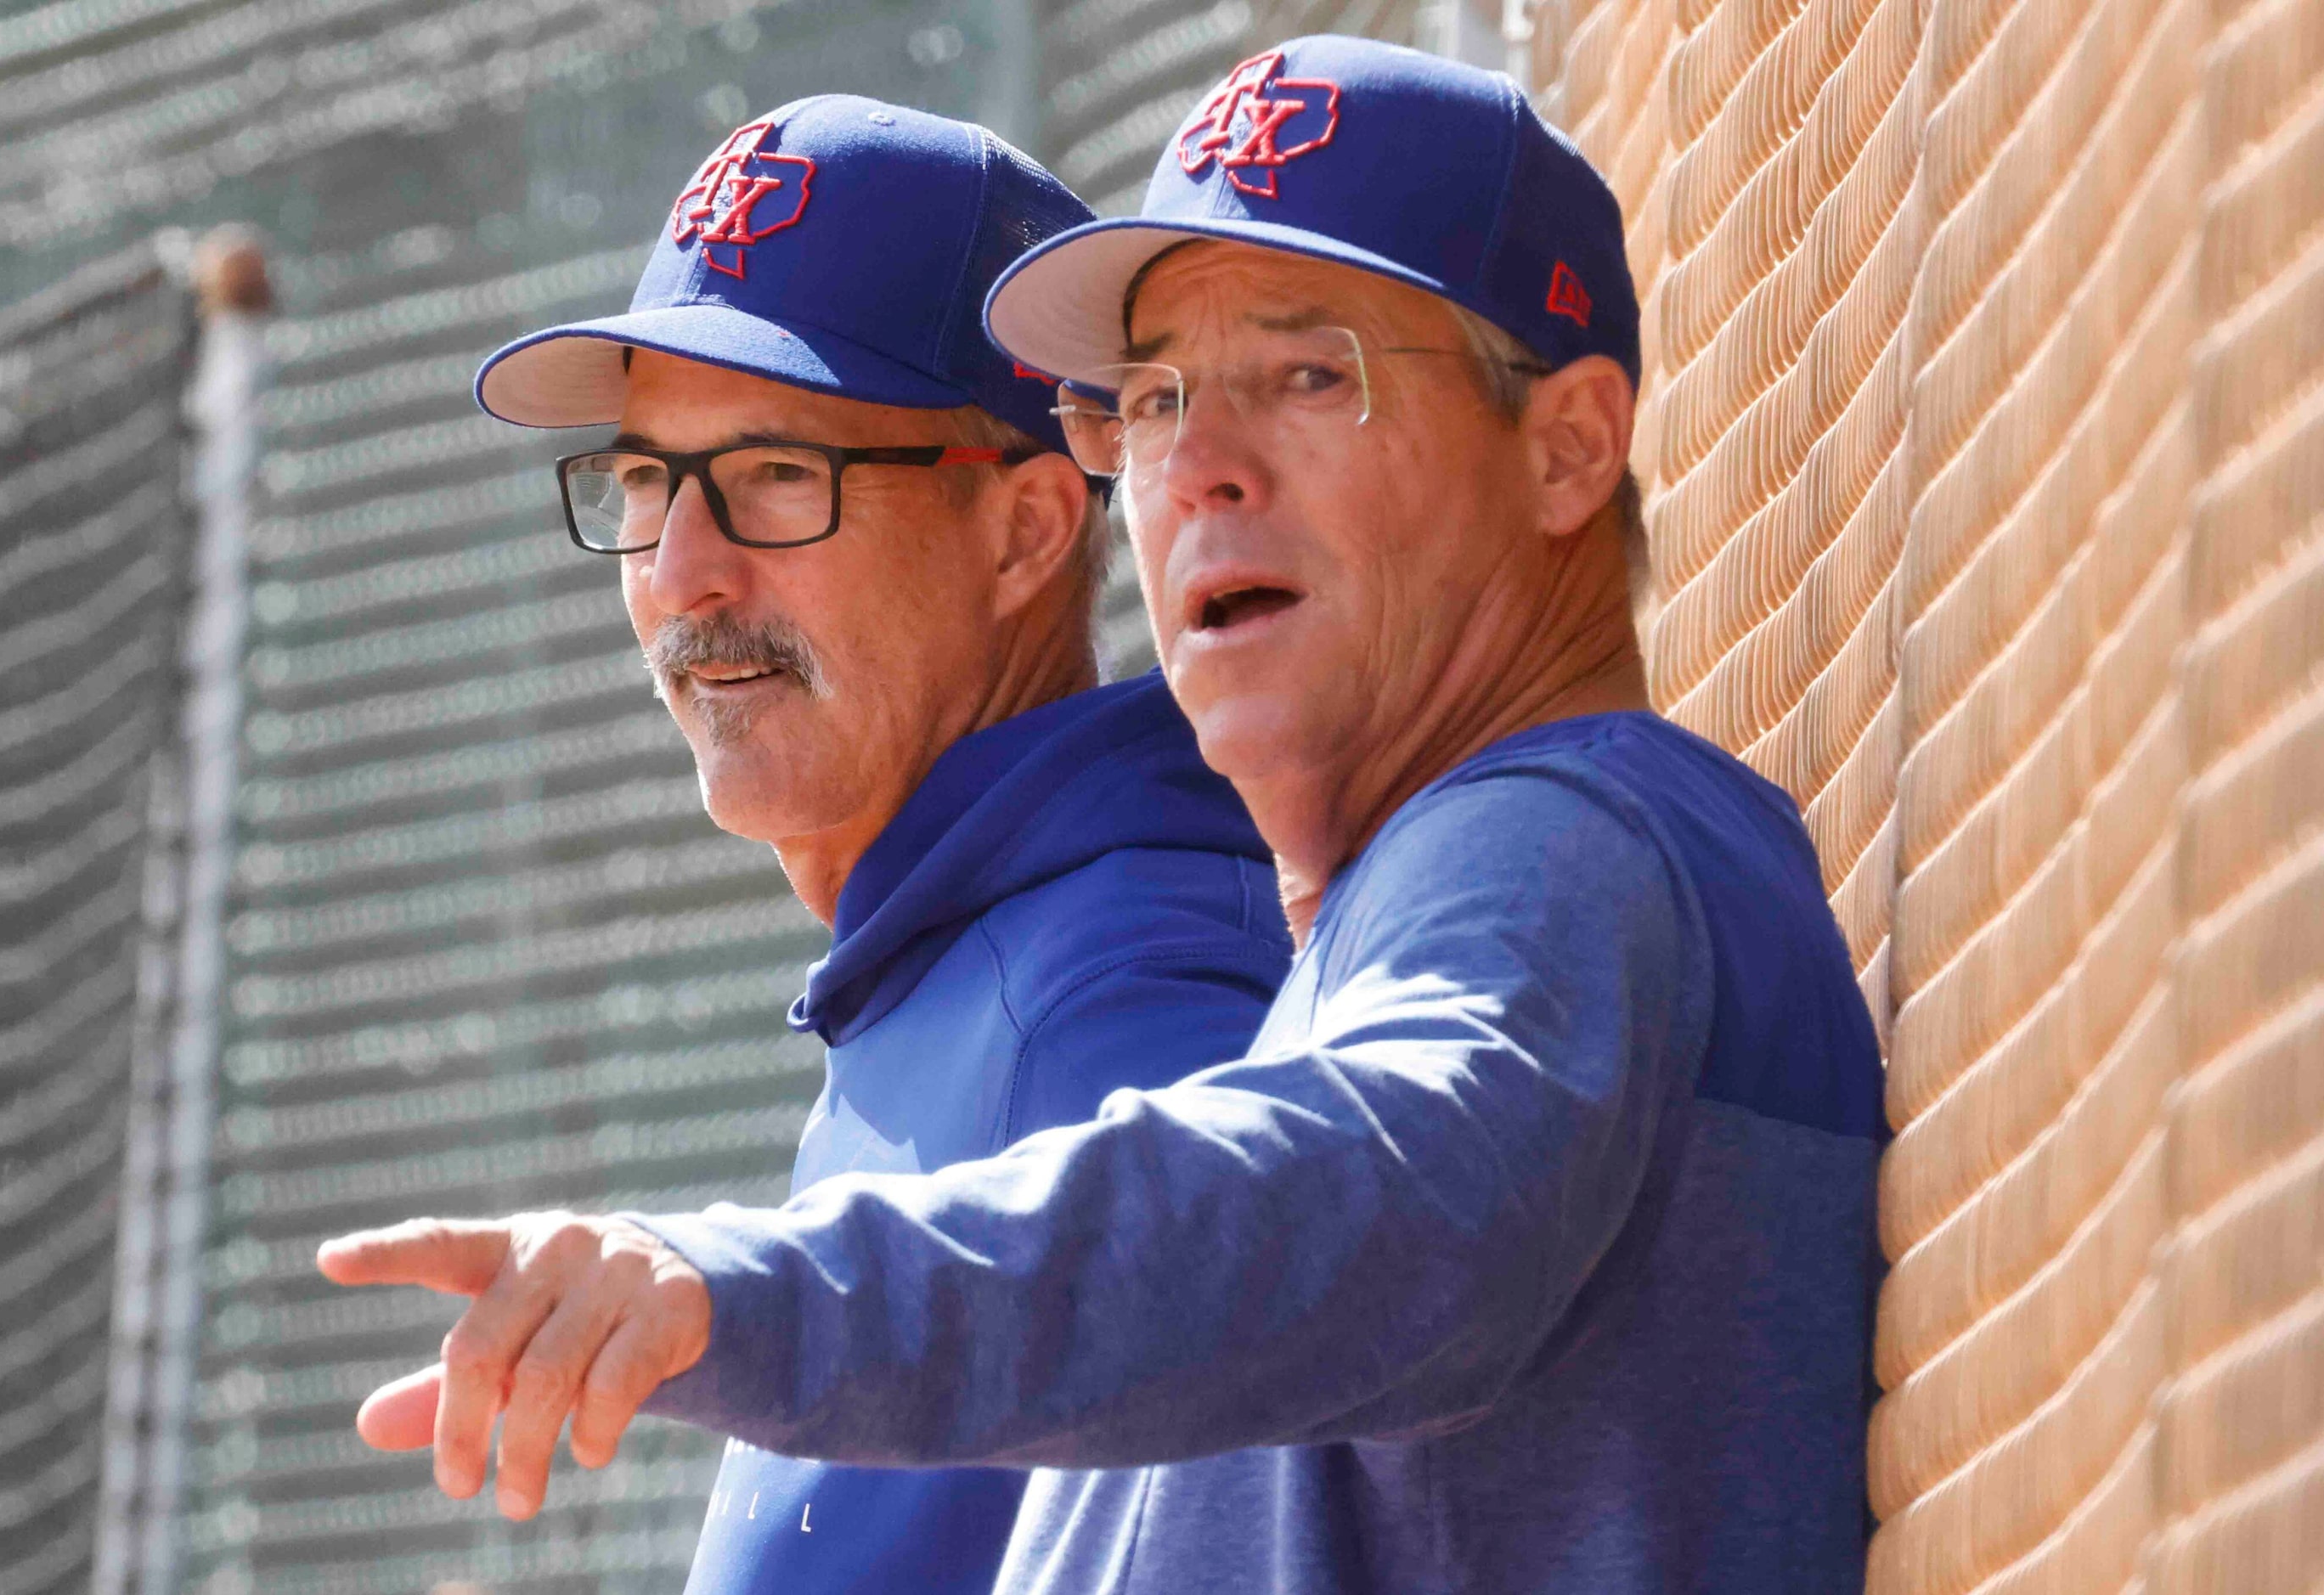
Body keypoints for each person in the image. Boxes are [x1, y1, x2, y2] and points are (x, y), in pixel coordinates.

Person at [323, 40, 1888, 1593]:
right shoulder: (1395, 910)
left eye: (1307, 372)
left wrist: (740, 1296)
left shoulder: (1557, 836)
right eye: (1147, 400)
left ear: (1563, 447)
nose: (1195, 465)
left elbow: (1375, 1193)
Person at [320, 97, 1290, 1595]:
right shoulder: (965, 959)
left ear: (1029, 530)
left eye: (778, 474)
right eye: (645, 482)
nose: (684, 576)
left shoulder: (1129, 992)